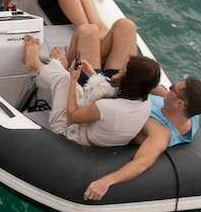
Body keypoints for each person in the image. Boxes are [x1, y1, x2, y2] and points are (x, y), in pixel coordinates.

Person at [84, 72, 201, 203]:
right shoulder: (182, 112)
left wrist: (106, 182)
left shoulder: (159, 132)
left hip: (98, 96)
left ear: (179, 104)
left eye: (172, 88)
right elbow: (161, 90)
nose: (169, 89)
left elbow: (142, 162)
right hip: (115, 86)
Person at [22, 34, 157, 152]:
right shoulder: (144, 103)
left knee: (65, 80)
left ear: (128, 81)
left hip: (67, 135)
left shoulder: (107, 108)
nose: (119, 71)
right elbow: (110, 92)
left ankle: (34, 63)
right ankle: (53, 66)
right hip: (93, 135)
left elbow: (72, 116)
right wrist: (92, 73)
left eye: (123, 71)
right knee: (72, 84)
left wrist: (74, 79)